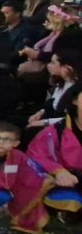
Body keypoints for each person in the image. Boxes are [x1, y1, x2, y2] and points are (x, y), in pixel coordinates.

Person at [27, 88, 82, 216]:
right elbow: (37, 154)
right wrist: (59, 171)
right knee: (69, 201)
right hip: (66, 181)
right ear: (74, 100)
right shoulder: (57, 130)